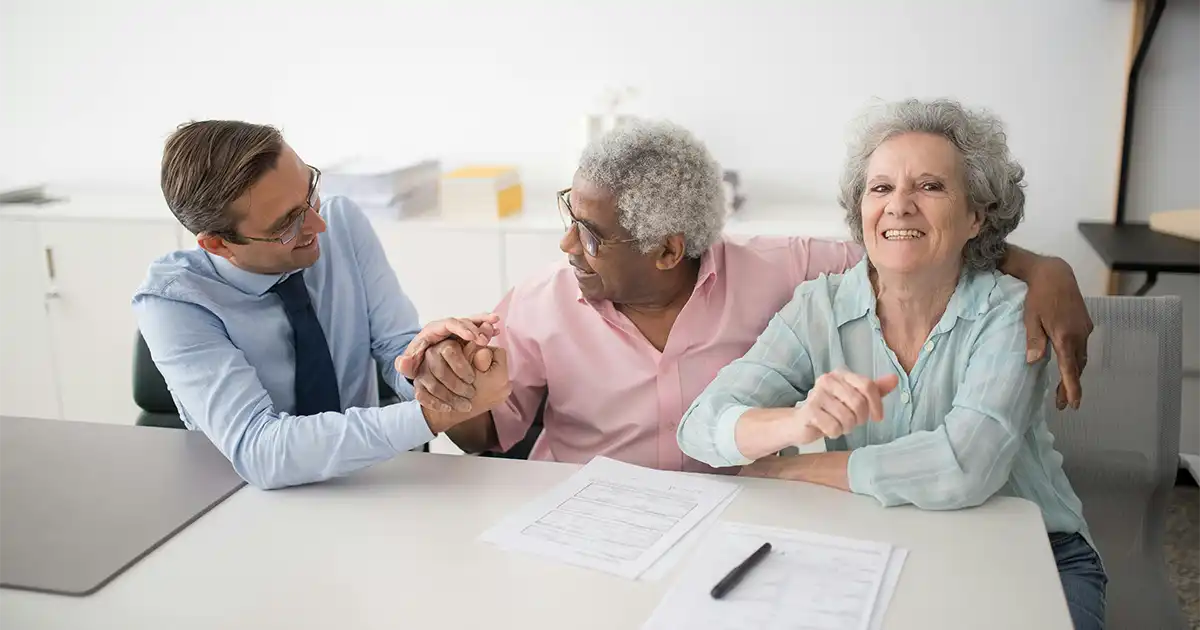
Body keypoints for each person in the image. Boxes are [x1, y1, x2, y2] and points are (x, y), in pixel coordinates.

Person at [400, 118, 1095, 476]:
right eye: (569, 219)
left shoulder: (783, 271)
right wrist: (463, 399)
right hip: (587, 515)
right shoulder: (541, 300)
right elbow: (491, 438)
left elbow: (910, 241)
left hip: (740, 519)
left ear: (670, 250)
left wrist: (1042, 266)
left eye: (589, 234)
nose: (565, 247)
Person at [676, 99, 1105, 629]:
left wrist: (793, 467)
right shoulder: (819, 307)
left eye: (930, 186)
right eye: (880, 188)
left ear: (976, 217)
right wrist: (795, 422)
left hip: (1036, 553)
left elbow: (966, 468)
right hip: (876, 546)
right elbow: (698, 427)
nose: (899, 206)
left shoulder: (1010, 311)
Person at [133, 120, 509, 490]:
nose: (318, 224)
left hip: (366, 482)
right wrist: (429, 416)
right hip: (242, 504)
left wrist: (435, 364)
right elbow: (259, 448)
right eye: (287, 223)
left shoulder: (342, 220)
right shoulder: (174, 303)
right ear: (218, 244)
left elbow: (397, 349)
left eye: (309, 191)